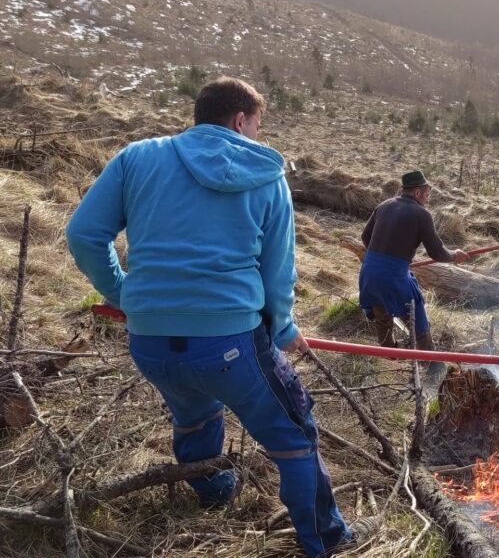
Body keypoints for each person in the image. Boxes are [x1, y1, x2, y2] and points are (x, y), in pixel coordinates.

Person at [66, 77, 370, 557]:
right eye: (256, 125)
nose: (255, 136)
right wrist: (284, 329)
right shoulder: (266, 175)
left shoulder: (136, 157)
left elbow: (84, 234)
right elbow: (277, 272)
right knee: (293, 435)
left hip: (150, 341)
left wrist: (125, 295)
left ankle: (212, 493)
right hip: (230, 341)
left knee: (193, 414)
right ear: (240, 119)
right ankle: (327, 540)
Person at [359, 170, 469, 357]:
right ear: (417, 193)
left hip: (369, 272)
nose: (428, 198)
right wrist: (454, 256)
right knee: (417, 319)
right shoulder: (421, 214)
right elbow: (436, 251)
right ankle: (431, 362)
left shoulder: (384, 205)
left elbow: (365, 237)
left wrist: (385, 258)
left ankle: (389, 353)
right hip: (394, 277)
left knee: (381, 313)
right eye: (427, 194)